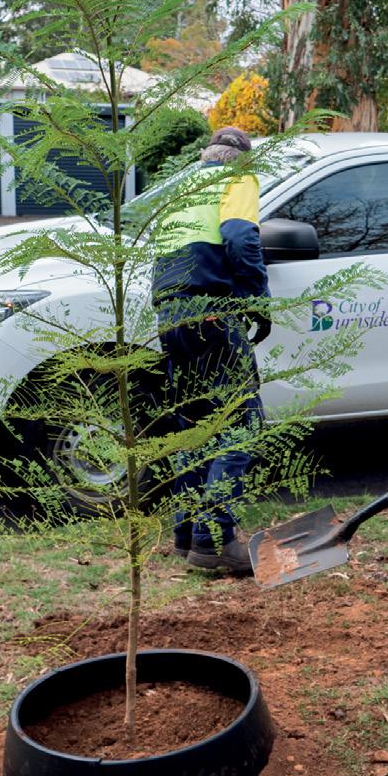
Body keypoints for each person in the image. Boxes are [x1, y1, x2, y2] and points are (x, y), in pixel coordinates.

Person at [152, 126, 271, 574]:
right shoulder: (237, 178)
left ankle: (186, 536)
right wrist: (257, 301)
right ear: (243, 158)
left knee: (196, 428)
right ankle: (214, 540)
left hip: (171, 317)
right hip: (211, 315)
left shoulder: (181, 190)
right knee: (241, 423)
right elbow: (240, 237)